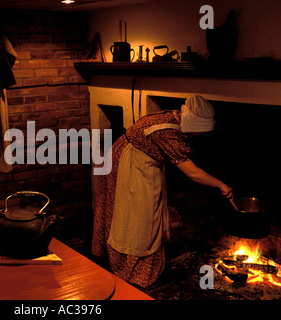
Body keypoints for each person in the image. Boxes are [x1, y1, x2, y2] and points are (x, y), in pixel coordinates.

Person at [91, 95, 232, 288]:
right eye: (199, 132)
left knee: (141, 212)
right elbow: (192, 172)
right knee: (138, 216)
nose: (199, 136)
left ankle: (133, 267)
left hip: (134, 156)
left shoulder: (173, 117)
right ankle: (131, 271)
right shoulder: (167, 131)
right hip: (132, 162)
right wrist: (221, 184)